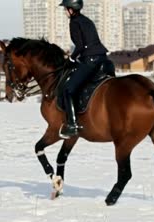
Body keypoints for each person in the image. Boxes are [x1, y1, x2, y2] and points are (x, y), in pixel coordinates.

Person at [59, 0, 109, 139]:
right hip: (103, 58)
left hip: (90, 60)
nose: (65, 12)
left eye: (66, 9)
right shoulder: (87, 20)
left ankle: (72, 124)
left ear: (71, 9)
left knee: (68, 89)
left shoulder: (74, 22)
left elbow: (80, 46)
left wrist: (71, 58)